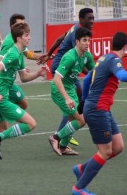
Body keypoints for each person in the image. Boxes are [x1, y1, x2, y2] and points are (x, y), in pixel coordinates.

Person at [71, 32, 127, 195]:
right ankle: (78, 188)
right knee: (105, 151)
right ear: (126, 47)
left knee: (117, 147)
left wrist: (84, 100)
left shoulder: (104, 58)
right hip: (97, 109)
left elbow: (87, 79)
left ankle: (81, 169)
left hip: (100, 108)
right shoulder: (114, 60)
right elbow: (122, 76)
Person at [0, 22, 48, 171]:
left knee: (2, 128)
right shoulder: (13, 53)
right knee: (31, 124)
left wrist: (38, 74)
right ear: (18, 38)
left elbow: (24, 77)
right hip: (0, 98)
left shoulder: (19, 54)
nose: (29, 38)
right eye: (26, 35)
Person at [0, 13, 49, 139]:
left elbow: (28, 55)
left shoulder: (20, 48)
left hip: (9, 82)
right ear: (13, 28)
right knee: (12, 125)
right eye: (19, 25)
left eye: (23, 24)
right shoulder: (9, 44)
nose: (22, 27)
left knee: (23, 104)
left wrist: (42, 57)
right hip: (2, 83)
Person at [39, 8, 95, 147]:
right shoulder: (77, 36)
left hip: (63, 67)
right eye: (89, 18)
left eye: (93, 18)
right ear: (81, 19)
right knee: (75, 100)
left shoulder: (76, 29)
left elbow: (59, 39)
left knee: (76, 100)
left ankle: (65, 133)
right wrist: (90, 75)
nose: (92, 21)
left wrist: (48, 54)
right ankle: (61, 134)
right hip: (62, 68)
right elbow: (77, 62)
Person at [48, 27, 94, 156]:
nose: (87, 43)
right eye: (84, 40)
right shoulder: (70, 57)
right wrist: (67, 98)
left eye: (89, 41)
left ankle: (62, 147)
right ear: (77, 41)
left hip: (70, 89)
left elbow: (94, 73)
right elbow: (56, 79)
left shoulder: (86, 56)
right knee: (81, 120)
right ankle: (55, 138)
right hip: (58, 90)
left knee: (73, 119)